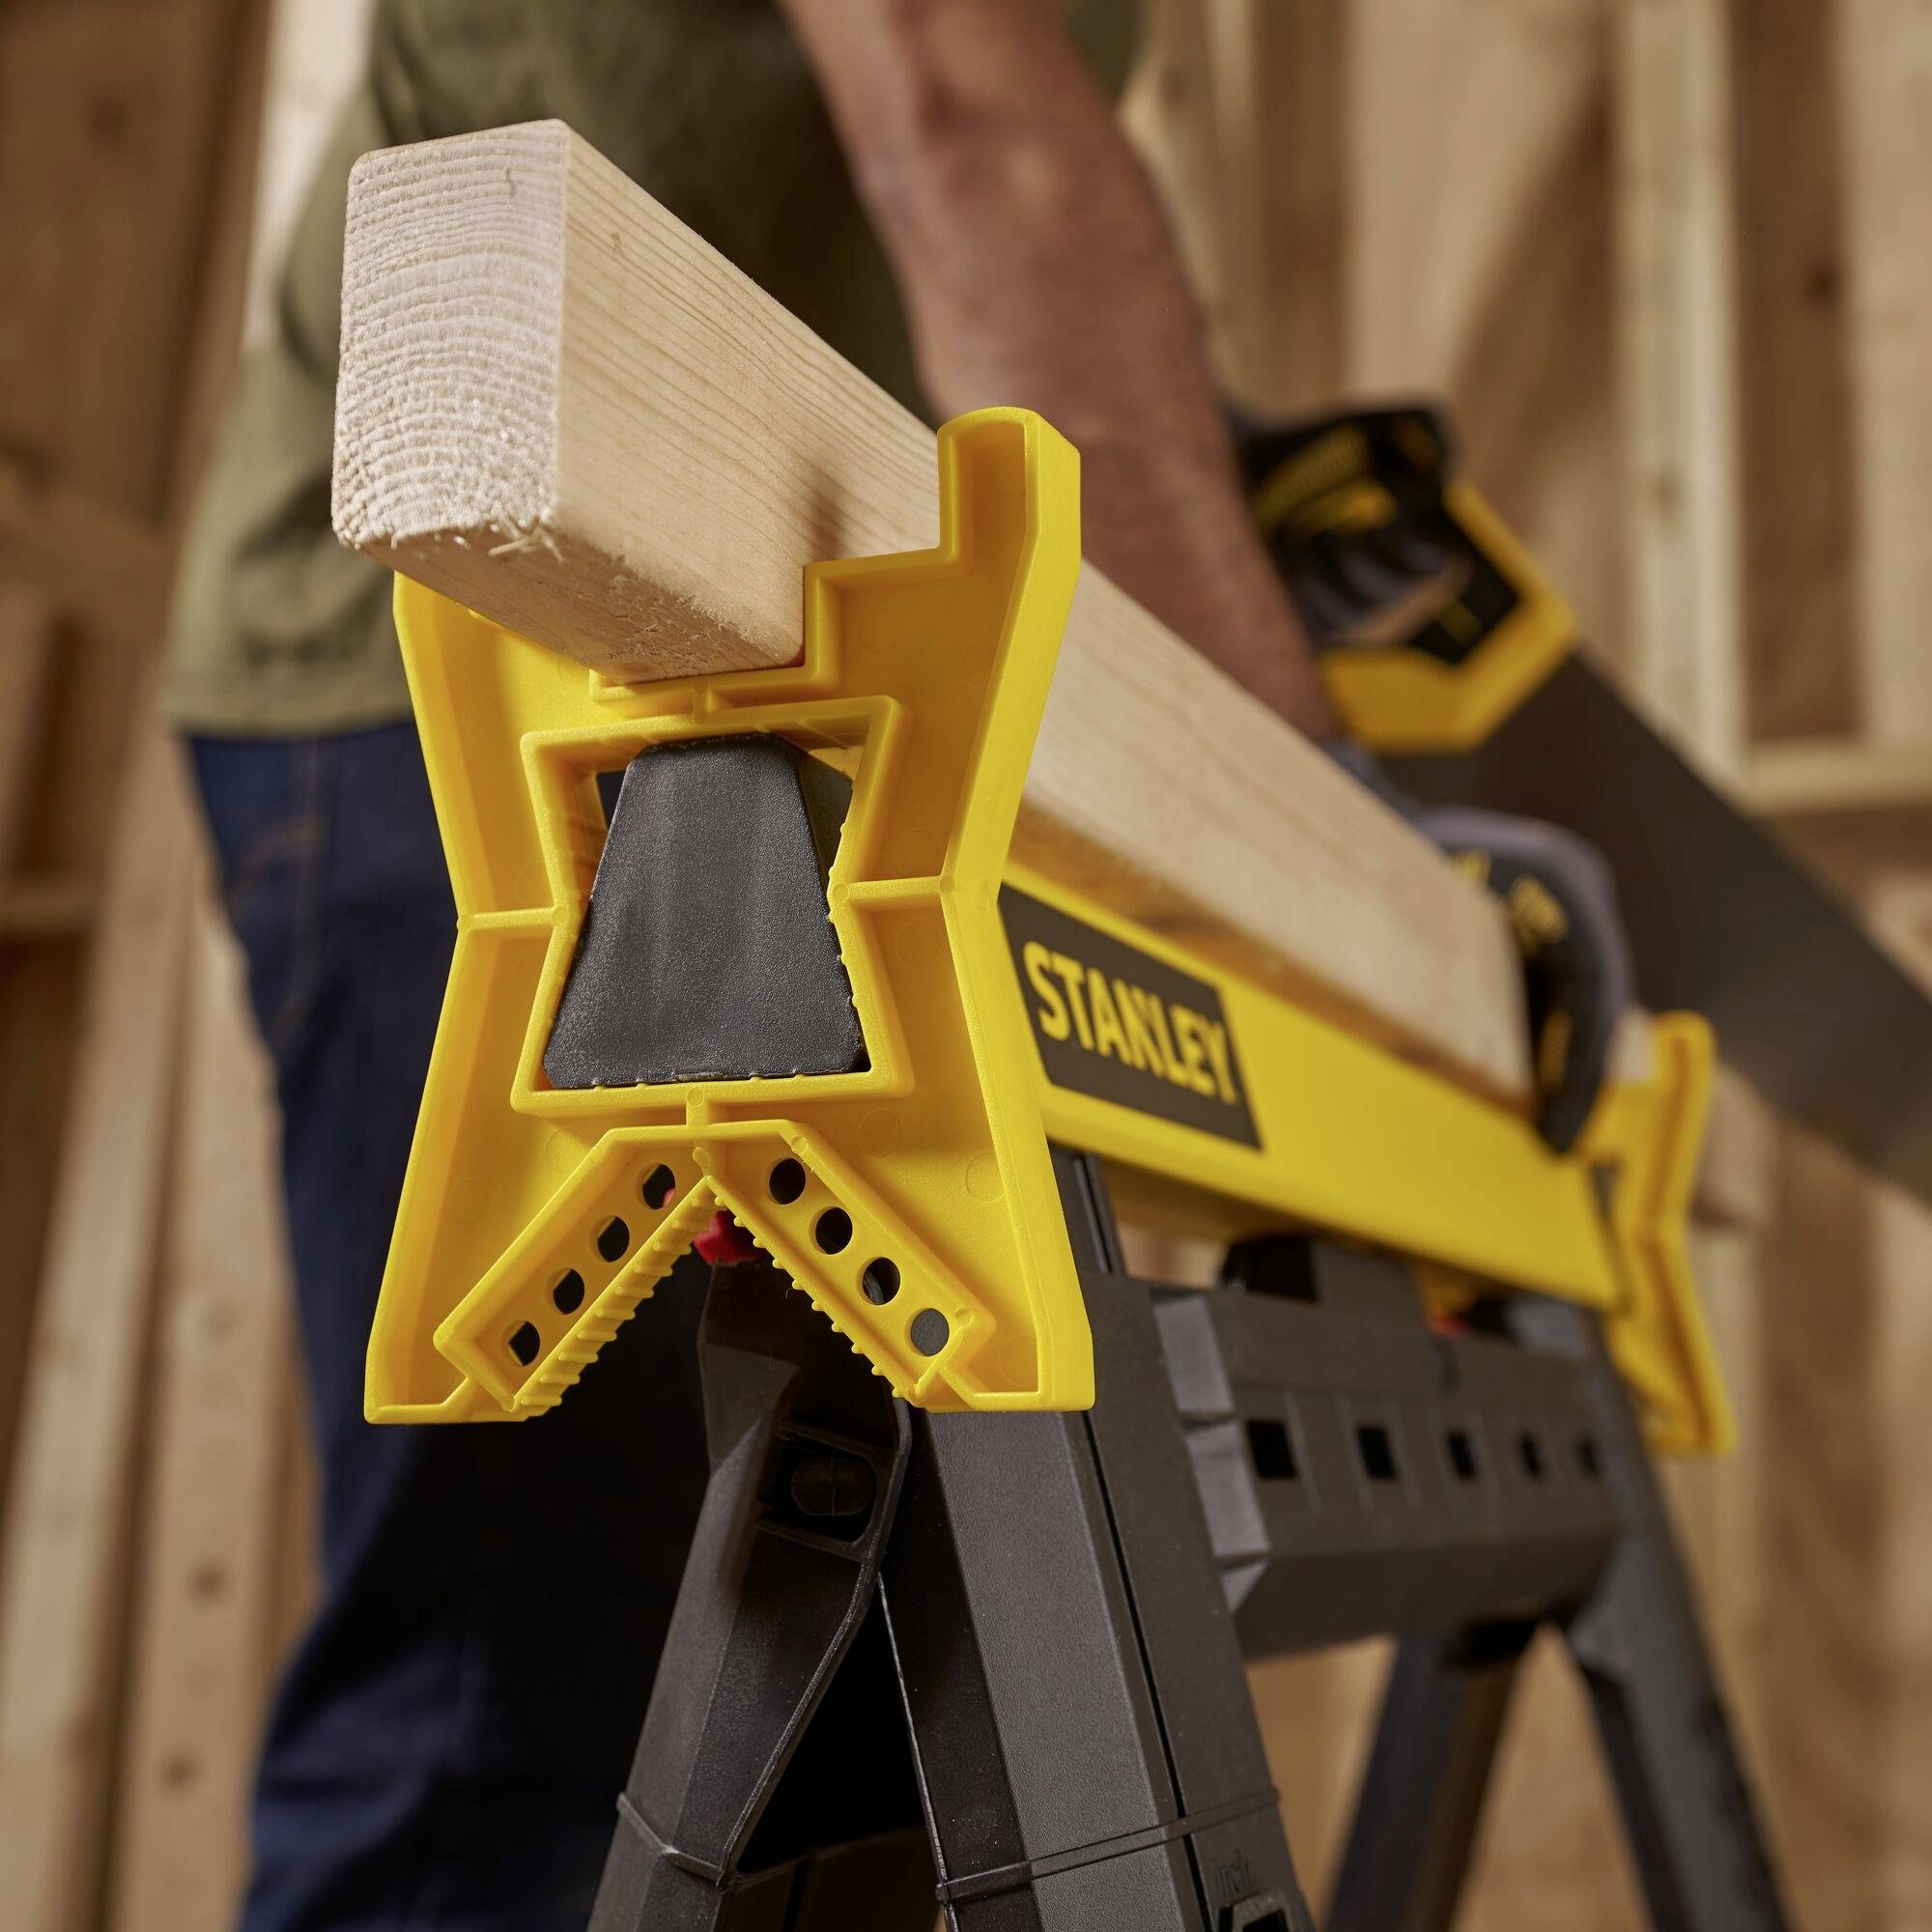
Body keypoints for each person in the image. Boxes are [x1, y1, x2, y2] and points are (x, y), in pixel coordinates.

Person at [169, 3, 1629, 1927]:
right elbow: (962, 122)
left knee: (808, 1718)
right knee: (513, 1708)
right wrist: (1338, 815)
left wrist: (1205, 467)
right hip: (518, 664)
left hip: (749, 679)